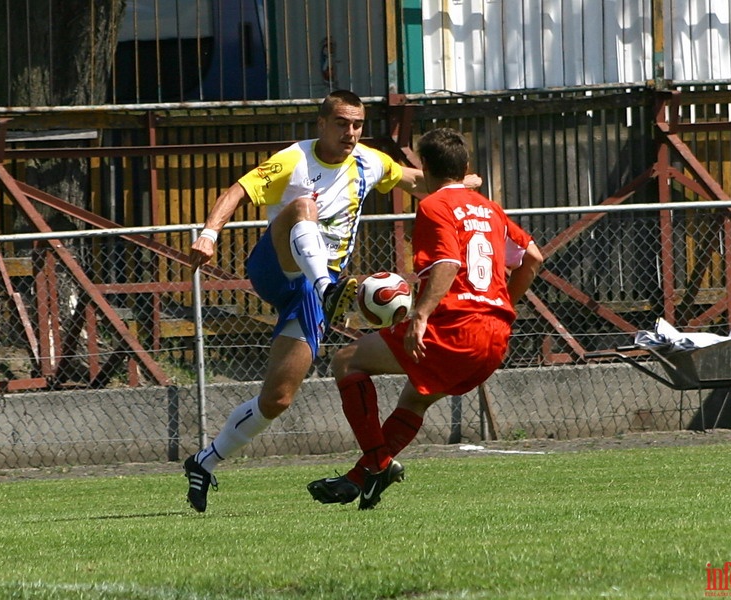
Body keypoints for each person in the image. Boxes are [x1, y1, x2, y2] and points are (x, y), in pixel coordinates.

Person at [183, 90, 479, 512]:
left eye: (357, 124)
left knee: (277, 398)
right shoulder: (295, 159)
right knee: (303, 205)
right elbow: (238, 191)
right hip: (278, 266)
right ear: (321, 124)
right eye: (342, 123)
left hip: (311, 293)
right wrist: (210, 233)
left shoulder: (369, 162)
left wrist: (456, 186)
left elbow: (416, 182)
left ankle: (204, 462)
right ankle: (326, 287)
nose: (351, 132)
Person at [307, 127, 544, 510]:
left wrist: (420, 316)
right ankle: (358, 478)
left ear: (424, 169)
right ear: (465, 166)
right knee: (415, 399)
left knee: (346, 361)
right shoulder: (490, 209)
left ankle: (379, 464)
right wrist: (503, 306)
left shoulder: (434, 206)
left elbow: (448, 263)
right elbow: (533, 258)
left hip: (453, 329)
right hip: (495, 338)